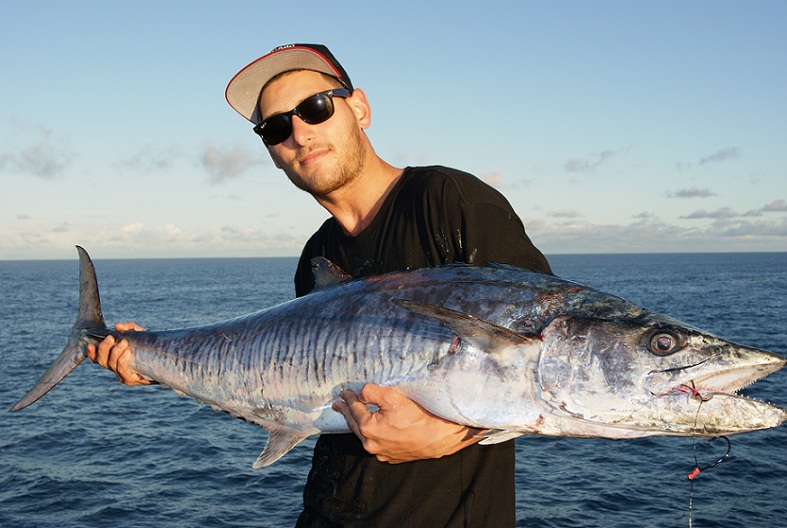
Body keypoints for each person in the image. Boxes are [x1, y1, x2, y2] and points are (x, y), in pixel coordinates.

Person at [88, 43, 552, 527]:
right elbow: (285, 387)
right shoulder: (317, 254)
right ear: (271, 152)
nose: (300, 134)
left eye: (315, 108)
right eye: (275, 127)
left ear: (360, 108)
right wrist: (151, 363)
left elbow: (548, 363)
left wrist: (446, 433)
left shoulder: (451, 203)